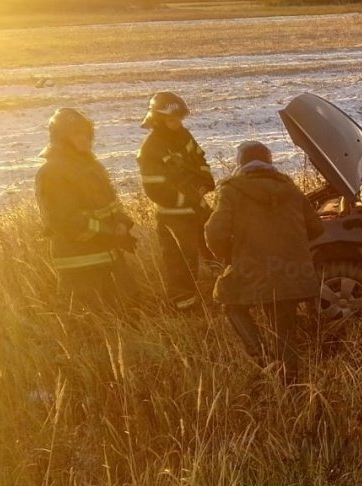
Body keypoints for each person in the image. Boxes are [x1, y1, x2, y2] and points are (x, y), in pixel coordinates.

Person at [205, 141, 325, 384]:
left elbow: (214, 233)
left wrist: (229, 257)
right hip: (292, 270)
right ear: (269, 162)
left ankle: (263, 359)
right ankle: (291, 383)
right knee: (284, 329)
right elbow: (316, 227)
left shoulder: (231, 190)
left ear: (240, 164)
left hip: (250, 268)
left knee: (229, 300)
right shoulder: (289, 187)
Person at [35, 108, 137, 309]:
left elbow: (113, 205)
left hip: (109, 255)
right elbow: (63, 220)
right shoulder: (52, 172)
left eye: (86, 134)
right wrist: (110, 233)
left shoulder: (92, 167)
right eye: (75, 134)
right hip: (80, 264)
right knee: (90, 323)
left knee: (129, 312)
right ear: (61, 138)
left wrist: (122, 223)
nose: (84, 139)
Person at [136, 92, 215, 310]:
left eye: (180, 118)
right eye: (172, 119)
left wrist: (205, 182)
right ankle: (185, 307)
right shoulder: (150, 148)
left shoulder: (183, 135)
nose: (177, 123)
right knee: (180, 262)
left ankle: (223, 295)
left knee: (216, 248)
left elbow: (200, 159)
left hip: (198, 208)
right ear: (158, 120)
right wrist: (186, 200)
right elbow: (154, 189)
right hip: (174, 217)